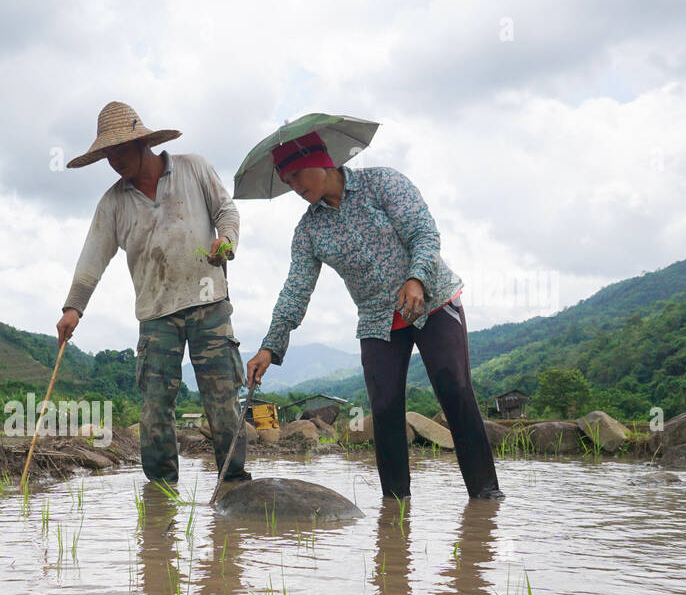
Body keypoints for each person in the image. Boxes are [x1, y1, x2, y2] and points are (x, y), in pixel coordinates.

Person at [246, 132, 503, 501]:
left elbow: (423, 234)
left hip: (431, 301)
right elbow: (295, 291)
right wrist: (270, 347)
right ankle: (395, 512)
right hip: (377, 321)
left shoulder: (382, 183)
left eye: (298, 176)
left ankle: (486, 499)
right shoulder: (308, 231)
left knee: (455, 390)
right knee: (384, 410)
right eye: (287, 182)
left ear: (321, 161)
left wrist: (415, 279)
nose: (295, 187)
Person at [57, 101, 250, 485]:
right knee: (155, 407)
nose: (115, 161)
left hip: (209, 304)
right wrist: (73, 308)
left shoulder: (193, 168)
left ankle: (234, 483)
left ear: (143, 143)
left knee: (222, 401)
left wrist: (226, 239)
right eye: (108, 155)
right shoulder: (113, 203)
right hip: (156, 315)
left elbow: (227, 211)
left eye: (121, 151)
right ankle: (161, 495)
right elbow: (92, 257)